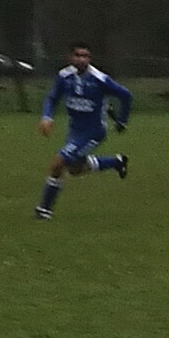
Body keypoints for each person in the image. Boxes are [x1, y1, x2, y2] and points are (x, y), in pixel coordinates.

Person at [34, 43, 132, 220]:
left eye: (85, 56)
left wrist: (122, 121)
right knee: (75, 169)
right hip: (74, 131)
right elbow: (52, 97)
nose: (82, 59)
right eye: (78, 55)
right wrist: (47, 116)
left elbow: (126, 95)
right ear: (71, 58)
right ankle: (116, 162)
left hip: (93, 131)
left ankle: (44, 210)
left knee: (58, 164)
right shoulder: (64, 76)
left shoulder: (100, 79)